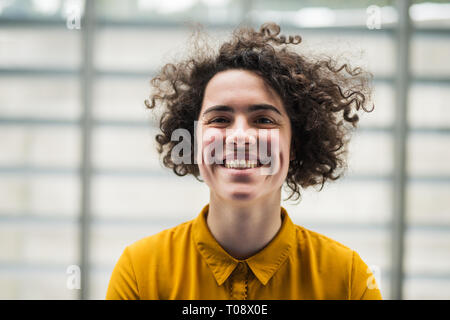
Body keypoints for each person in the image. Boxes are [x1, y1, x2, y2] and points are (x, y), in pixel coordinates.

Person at [106, 22, 382, 300]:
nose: (240, 136)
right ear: (194, 140)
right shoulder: (140, 272)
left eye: (263, 120)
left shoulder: (347, 278)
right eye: (220, 120)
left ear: (295, 143)